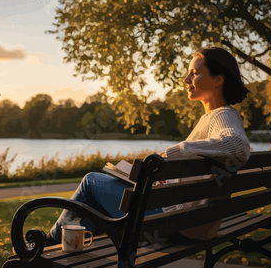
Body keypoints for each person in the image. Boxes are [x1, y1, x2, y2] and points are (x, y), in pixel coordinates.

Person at [43, 47, 252, 245]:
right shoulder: (215, 117)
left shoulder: (223, 115)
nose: (187, 79)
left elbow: (238, 145)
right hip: (192, 225)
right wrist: (167, 180)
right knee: (94, 207)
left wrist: (178, 151)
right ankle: (61, 246)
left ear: (218, 79)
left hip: (174, 227)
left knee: (91, 182)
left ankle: (48, 244)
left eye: (195, 74)